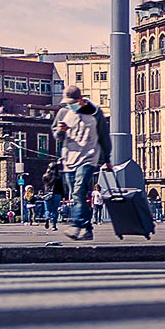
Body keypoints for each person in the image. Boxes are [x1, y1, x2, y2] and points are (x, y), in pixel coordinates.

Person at [51, 86, 106, 240]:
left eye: (72, 102)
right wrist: (61, 131)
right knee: (76, 195)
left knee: (78, 190)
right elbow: (57, 135)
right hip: (69, 159)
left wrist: (106, 159)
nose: (70, 105)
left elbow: (103, 135)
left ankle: (76, 225)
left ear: (80, 99)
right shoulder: (63, 113)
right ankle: (87, 227)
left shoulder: (94, 113)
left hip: (89, 157)